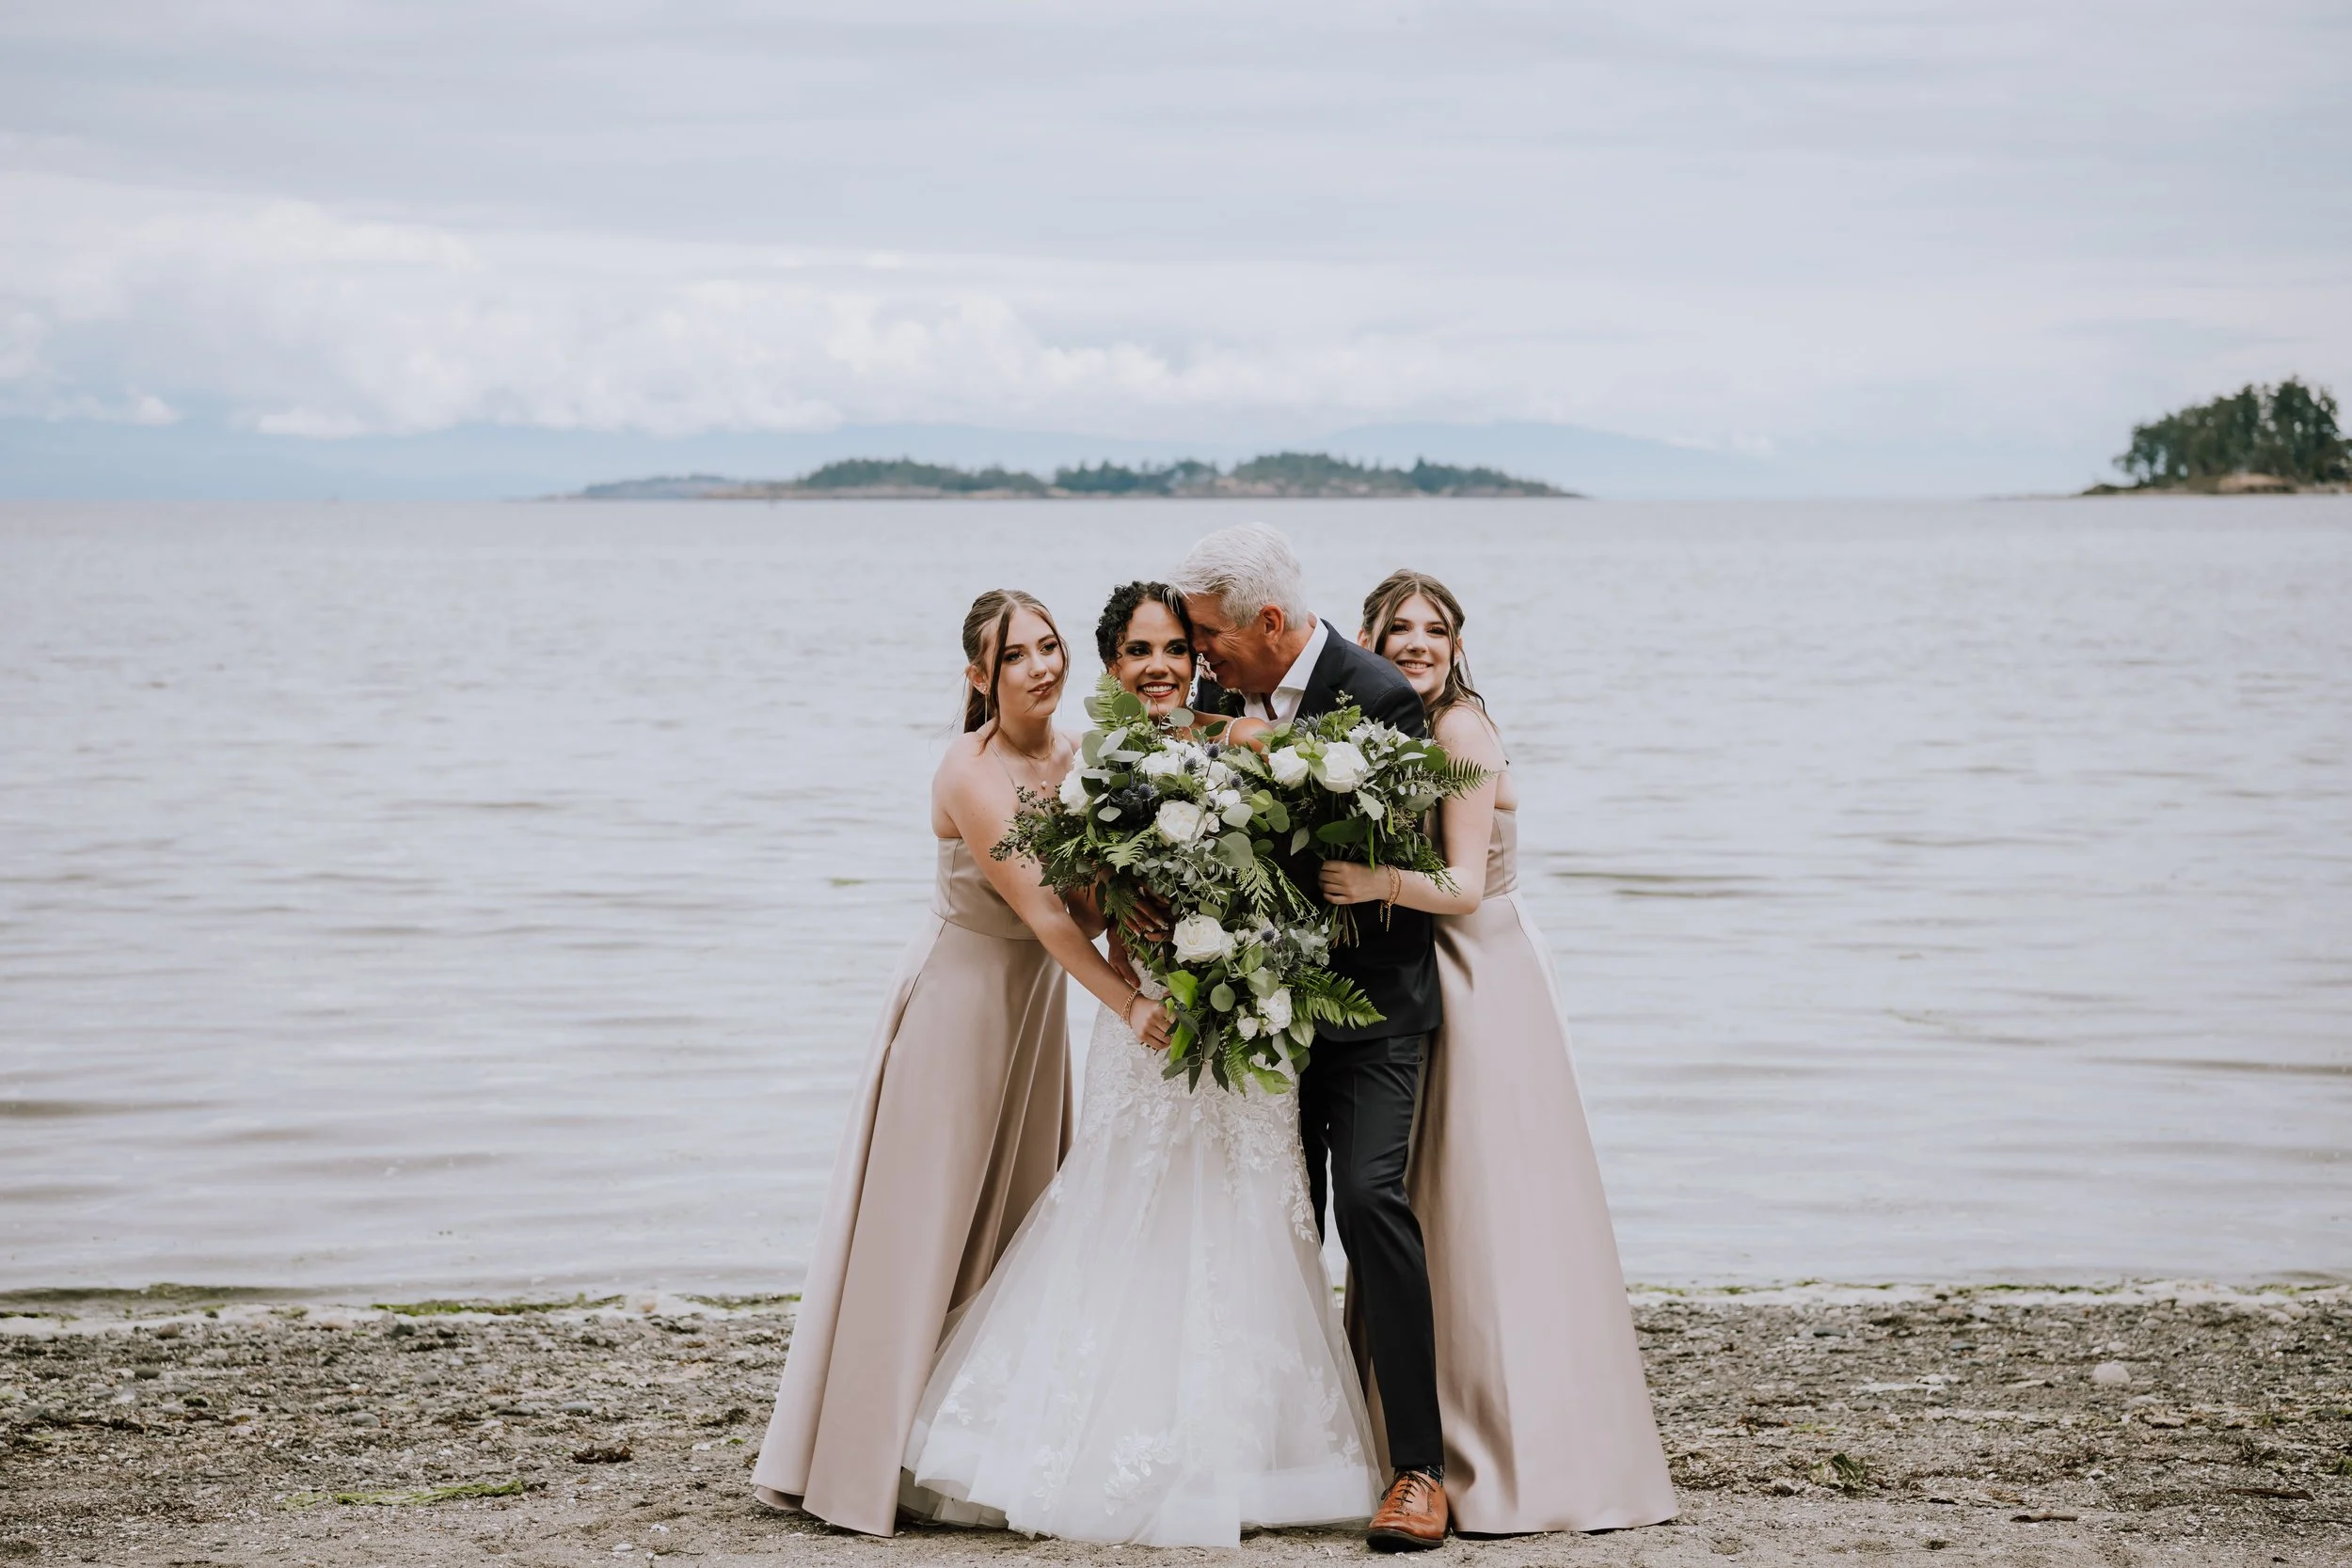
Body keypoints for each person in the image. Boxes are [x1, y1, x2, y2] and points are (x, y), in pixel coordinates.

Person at [901, 581, 1383, 1547]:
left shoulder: (1238, 740)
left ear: (1196, 658)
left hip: (1252, 1012)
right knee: (1130, 1206)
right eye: (1136, 650)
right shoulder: (1093, 765)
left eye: (1172, 646)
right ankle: (1094, 1438)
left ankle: (1255, 1453)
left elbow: (1298, 854)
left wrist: (1264, 961)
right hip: (1150, 1023)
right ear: (1113, 666)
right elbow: (1066, 903)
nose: (1156, 663)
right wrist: (1129, 971)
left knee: (1252, 1204)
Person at [750, 590, 1173, 1537]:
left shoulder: (1080, 757)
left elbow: (1092, 900)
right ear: (979, 675)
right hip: (960, 1004)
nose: (1041, 666)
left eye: (1051, 646)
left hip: (1032, 1009)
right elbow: (1047, 915)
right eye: (1015, 654)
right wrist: (1132, 1002)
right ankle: (857, 1461)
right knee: (921, 1224)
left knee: (1020, 1218)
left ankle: (966, 1445)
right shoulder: (970, 772)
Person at [1330, 570, 1676, 1534]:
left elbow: (1459, 885)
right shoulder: (1391, 725)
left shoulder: (1459, 730)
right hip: (1432, 969)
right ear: (1368, 636)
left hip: (1476, 971)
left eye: (1433, 629)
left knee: (1483, 1201)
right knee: (1435, 1200)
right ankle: (1418, 1434)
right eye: (1397, 628)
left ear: (1455, 643)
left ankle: (1503, 1447)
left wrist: (1366, 879)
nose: (1416, 643)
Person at [1172, 526, 1453, 1552]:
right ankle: (1271, 1451)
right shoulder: (1211, 702)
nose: (1201, 653)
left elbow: (1375, 828)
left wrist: (1264, 751)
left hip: (1374, 1006)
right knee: (1266, 1218)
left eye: (1211, 635)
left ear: (1271, 623)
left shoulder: (1376, 694)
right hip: (1255, 1015)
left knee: (1371, 1200)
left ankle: (1419, 1468)